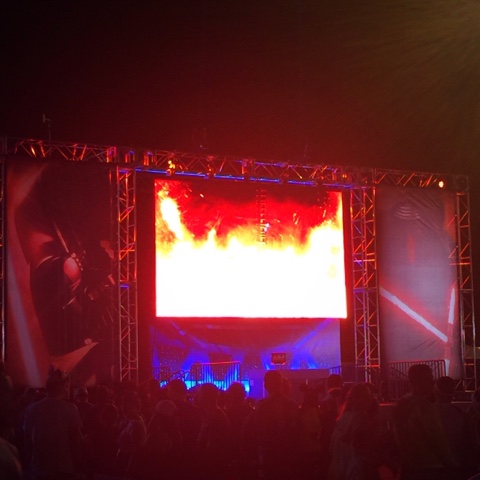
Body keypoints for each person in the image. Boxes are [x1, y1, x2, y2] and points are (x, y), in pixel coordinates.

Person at [392, 364, 455, 480]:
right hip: (430, 467)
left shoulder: (401, 404)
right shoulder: (425, 407)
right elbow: (437, 438)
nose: (432, 383)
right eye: (429, 379)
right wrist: (450, 462)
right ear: (418, 382)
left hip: (407, 466)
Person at [23, 368, 84, 480]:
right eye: (68, 386)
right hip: (64, 469)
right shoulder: (70, 409)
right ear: (64, 386)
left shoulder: (32, 409)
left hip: (39, 470)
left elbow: (27, 440)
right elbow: (76, 440)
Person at [253, 370, 302, 480]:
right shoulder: (292, 405)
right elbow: (298, 431)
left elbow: (257, 432)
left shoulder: (262, 406)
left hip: (270, 457)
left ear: (265, 385)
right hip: (290, 457)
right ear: (281, 384)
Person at [328, 382, 381, 480]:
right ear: (362, 398)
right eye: (368, 396)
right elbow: (360, 446)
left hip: (339, 466)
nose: (370, 399)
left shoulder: (343, 416)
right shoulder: (360, 417)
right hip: (355, 469)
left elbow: (332, 445)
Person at [434, 376, 477, 479]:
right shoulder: (463, 415)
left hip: (434, 466)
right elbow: (472, 442)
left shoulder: (425, 412)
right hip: (457, 466)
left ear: (435, 392)